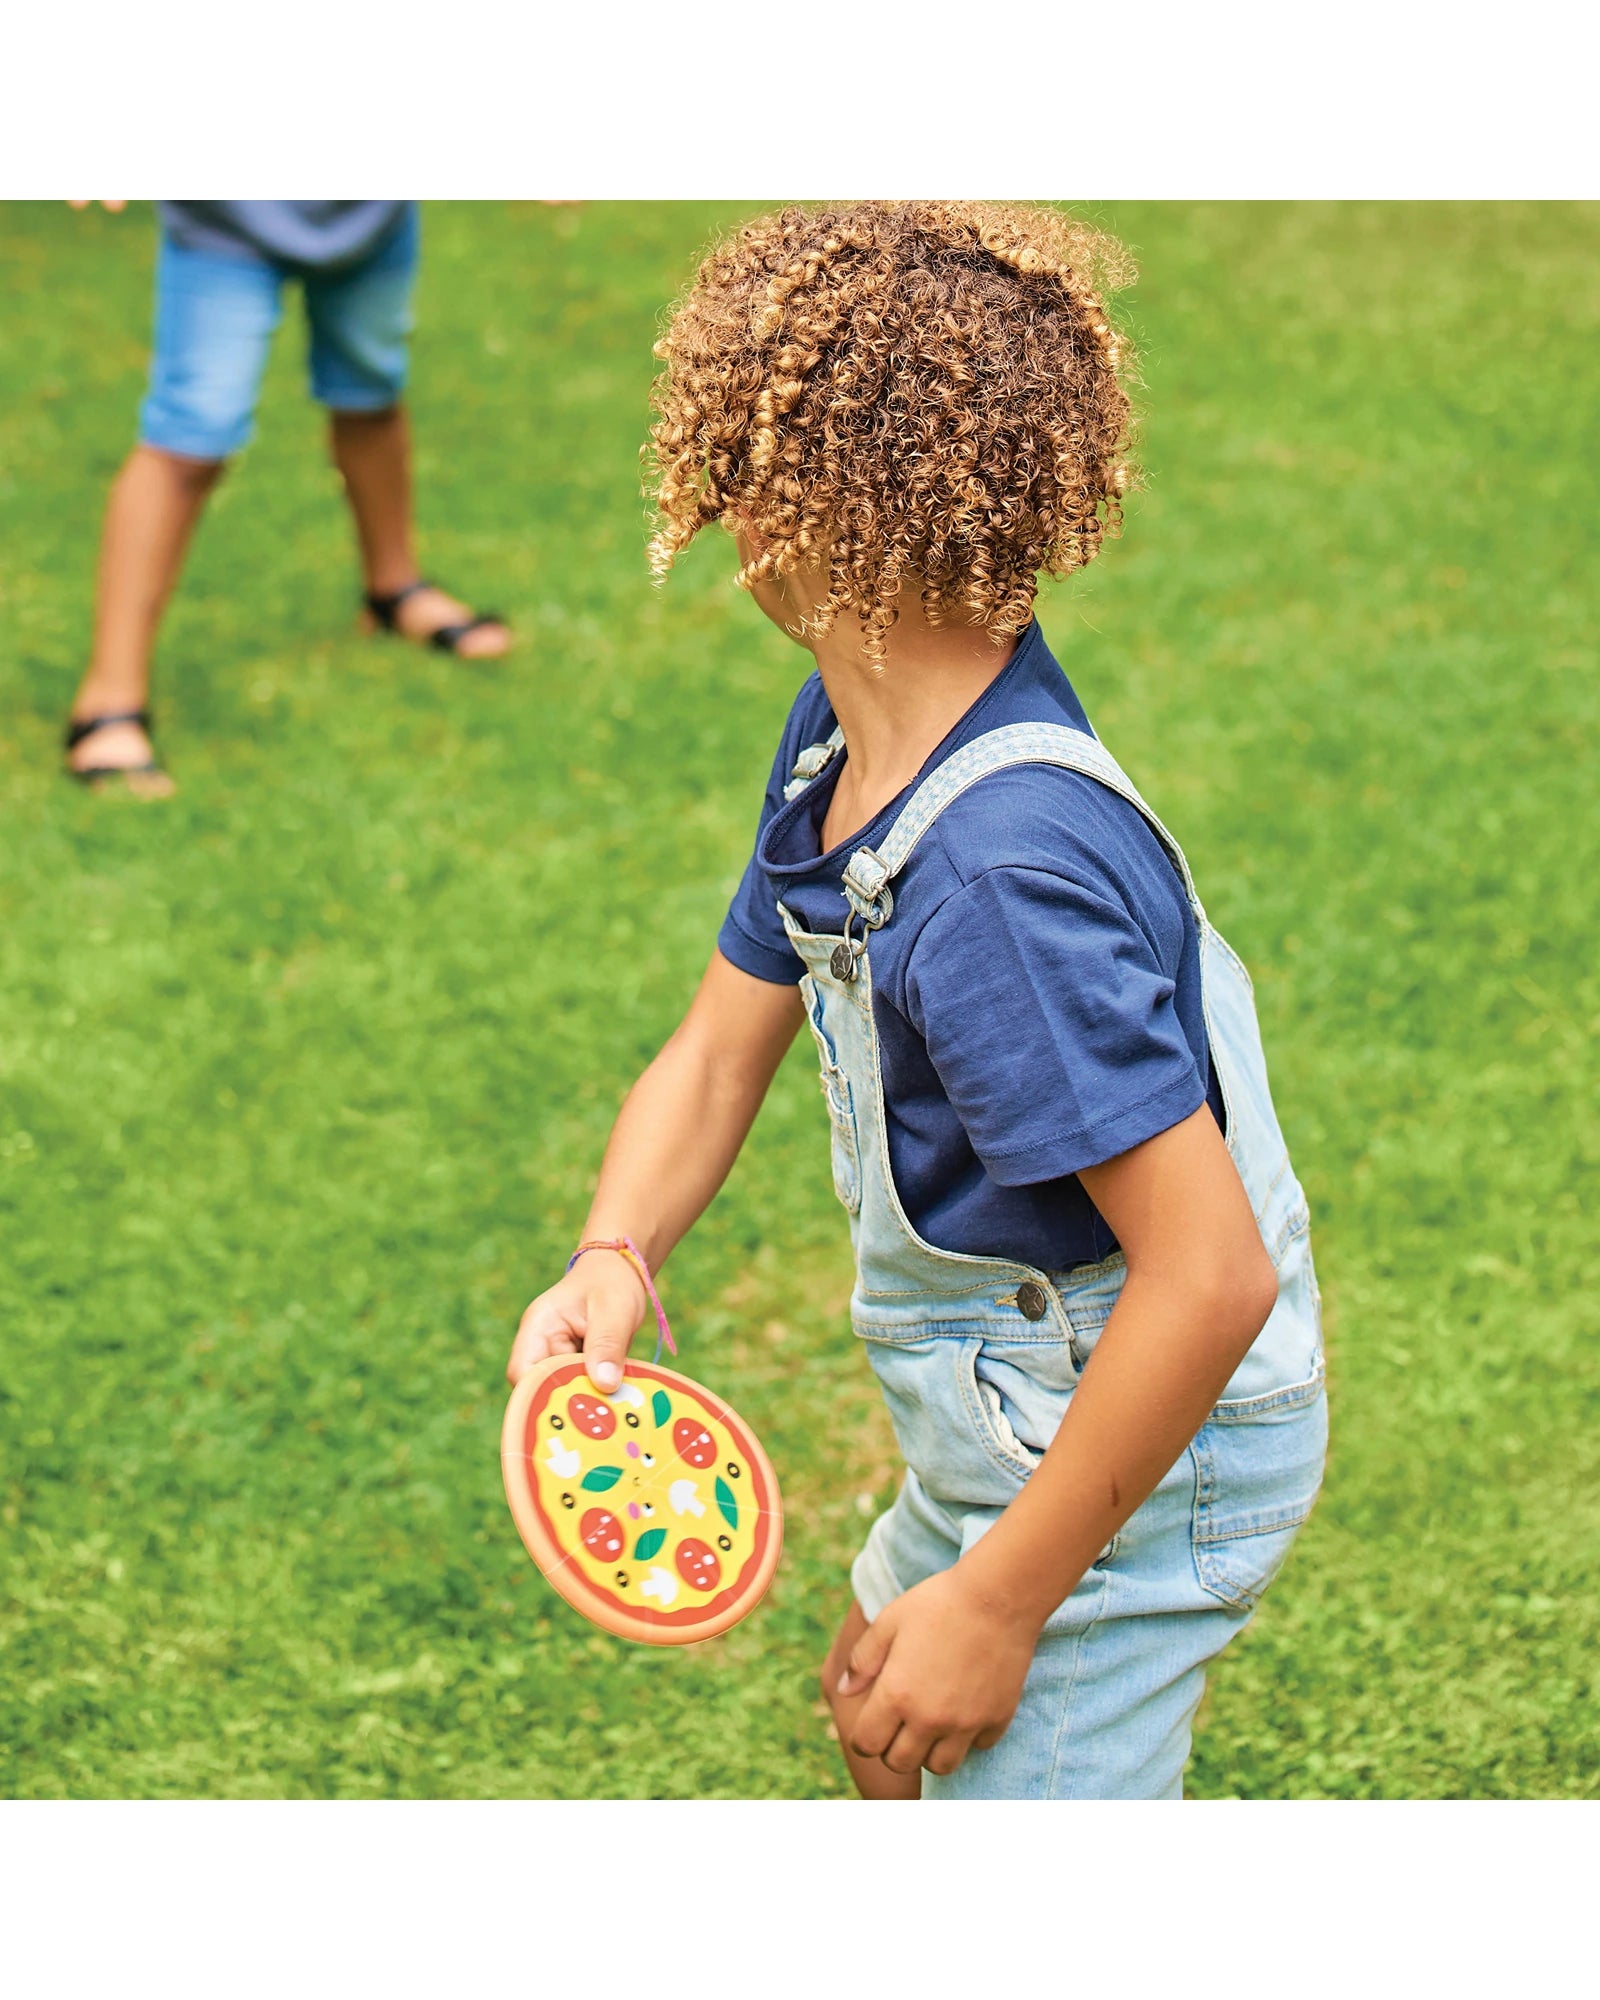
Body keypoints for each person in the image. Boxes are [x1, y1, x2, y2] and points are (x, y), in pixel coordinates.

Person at [506, 201, 1328, 1799]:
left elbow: (1209, 1278)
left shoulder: (997, 886)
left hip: (1148, 1440)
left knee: (965, 1734)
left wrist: (1005, 1600)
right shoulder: (843, 743)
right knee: (885, 1713)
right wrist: (615, 1253)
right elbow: (713, 1045)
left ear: (796, 515)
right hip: (1017, 1406)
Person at [64, 200, 510, 794]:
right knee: (191, 433)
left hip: (369, 214)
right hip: (225, 221)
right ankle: (109, 697)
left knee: (370, 392)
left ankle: (394, 589)